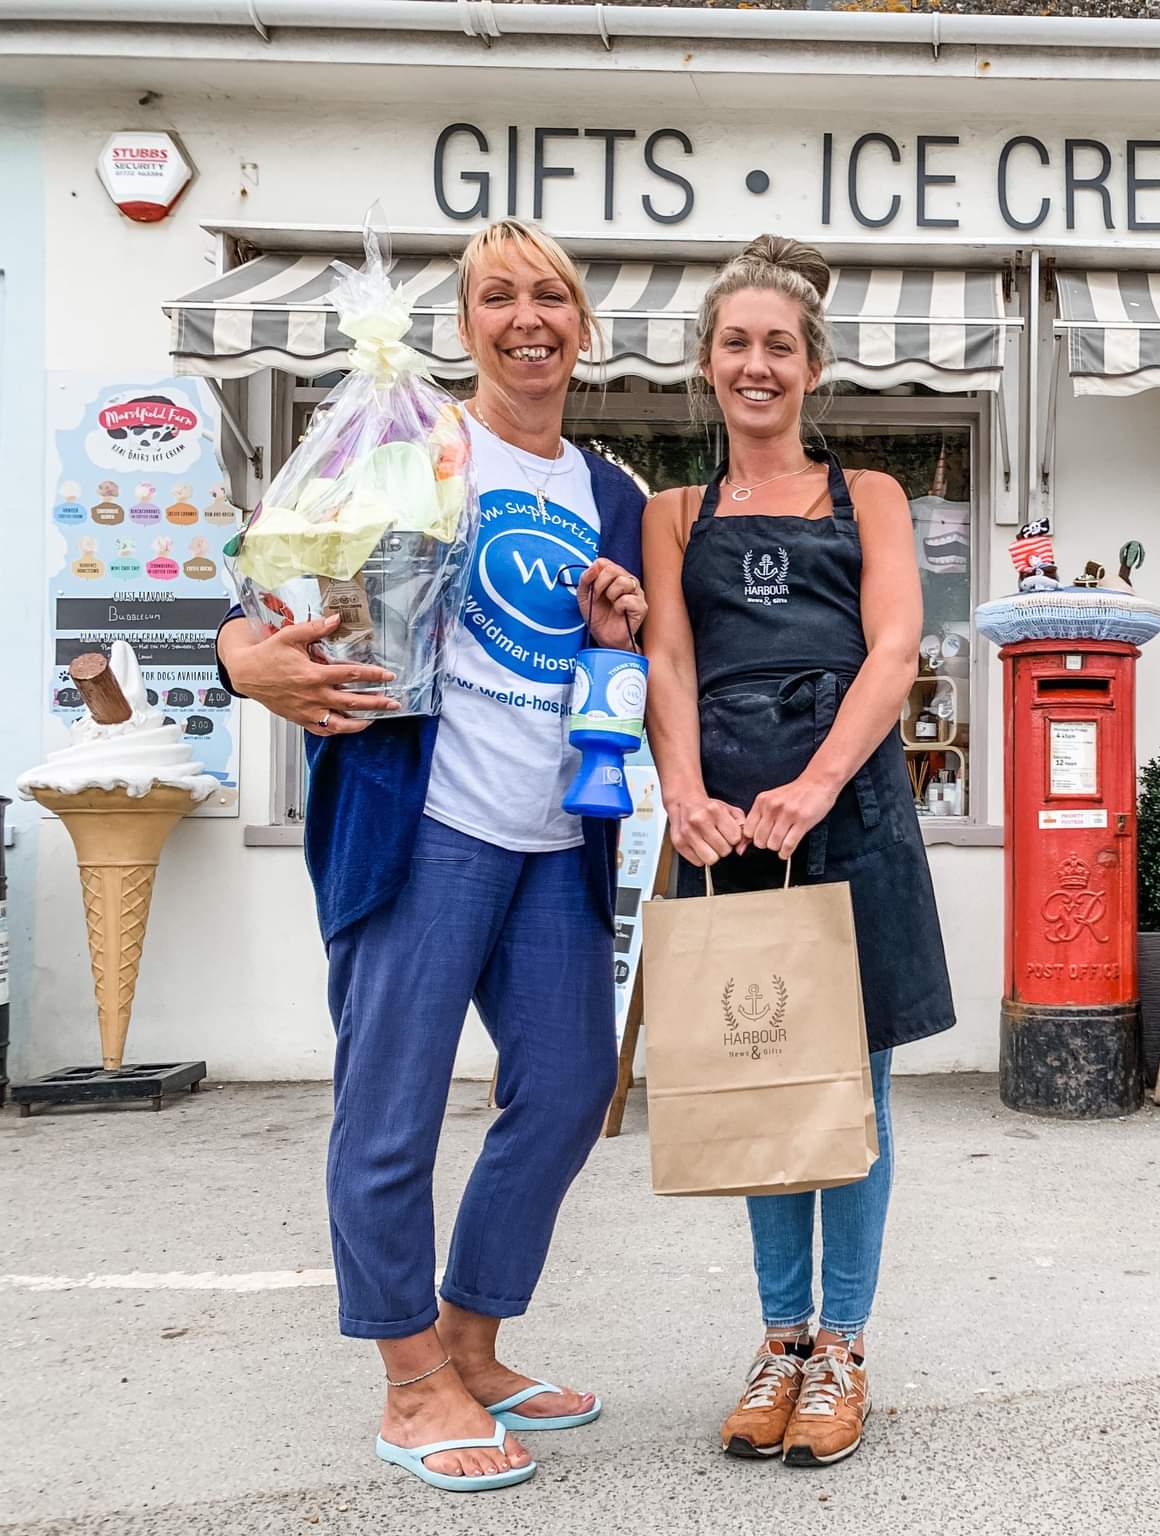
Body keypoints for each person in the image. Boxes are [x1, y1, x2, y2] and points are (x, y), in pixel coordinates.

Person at [215, 220, 647, 1493]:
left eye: (551, 296)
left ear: (582, 325)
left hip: (554, 838)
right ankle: (410, 1380)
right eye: (499, 296)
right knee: (390, 1113)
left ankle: (470, 1338)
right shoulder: (409, 439)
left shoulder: (609, 490)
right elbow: (266, 578)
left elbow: (608, 664)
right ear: (464, 327)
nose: (528, 317)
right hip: (423, 830)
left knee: (570, 1089)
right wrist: (242, 658)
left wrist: (613, 629)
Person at [643, 235, 955, 1468]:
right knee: (761, 1075)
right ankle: (777, 1341)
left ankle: (844, 1351)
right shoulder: (674, 512)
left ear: (811, 367)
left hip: (848, 810)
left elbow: (893, 653)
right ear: (708, 365)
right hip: (726, 825)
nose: (756, 363)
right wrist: (682, 793)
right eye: (736, 344)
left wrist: (815, 782)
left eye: (780, 344)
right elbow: (665, 660)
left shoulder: (867, 495)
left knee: (855, 1087)